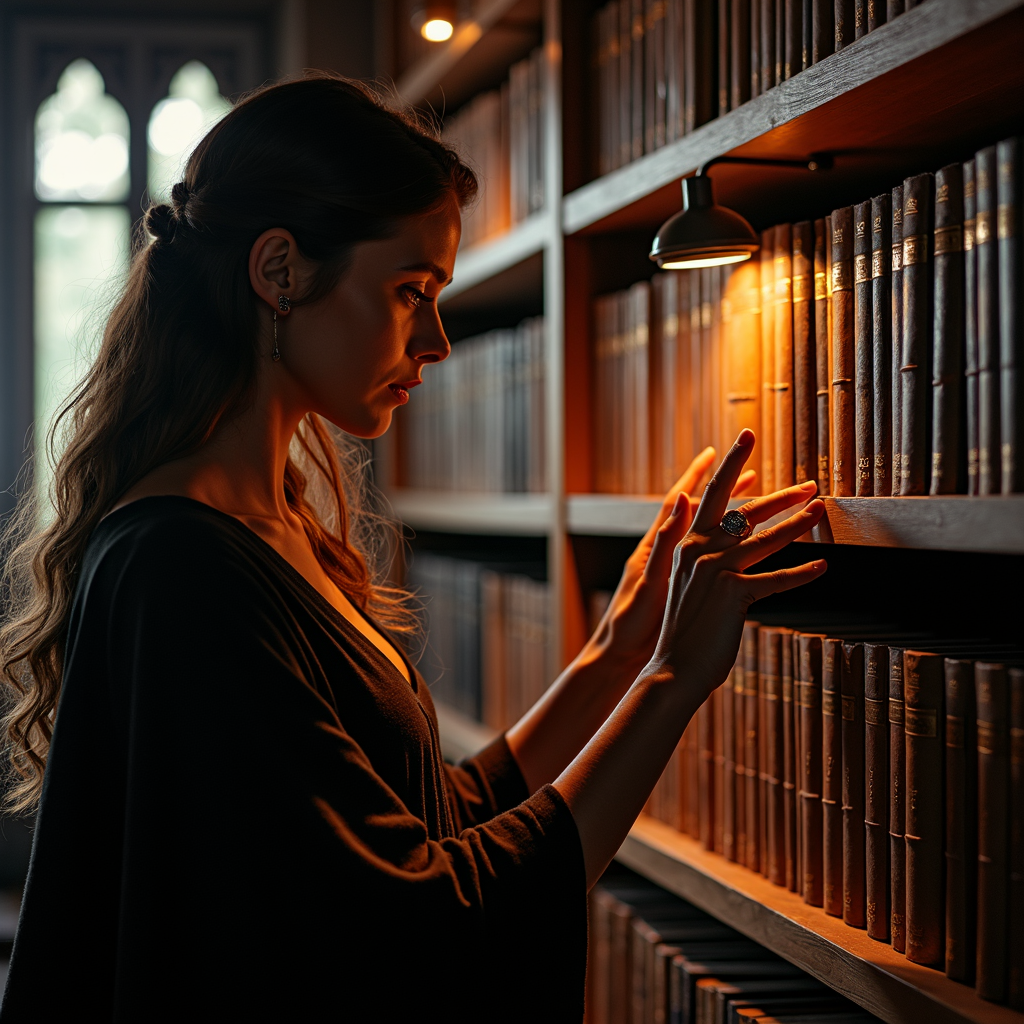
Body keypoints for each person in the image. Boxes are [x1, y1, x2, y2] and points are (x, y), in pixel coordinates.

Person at [0, 74, 826, 1023]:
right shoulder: (181, 572)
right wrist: (674, 679)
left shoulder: (272, 525)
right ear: (279, 273)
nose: (436, 339)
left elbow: (420, 814)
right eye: (410, 291)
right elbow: (413, 924)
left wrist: (621, 648)